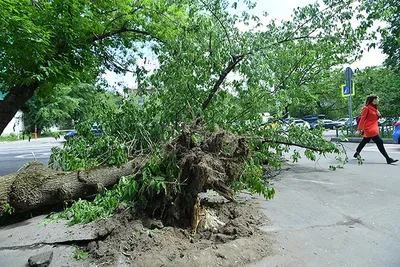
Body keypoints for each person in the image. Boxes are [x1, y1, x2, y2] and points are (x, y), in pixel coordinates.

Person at [354, 95, 398, 164]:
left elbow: (375, 118)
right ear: (373, 100)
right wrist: (359, 130)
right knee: (379, 142)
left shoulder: (374, 108)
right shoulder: (366, 108)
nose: (378, 100)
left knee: (365, 141)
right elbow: (362, 119)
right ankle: (388, 159)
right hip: (369, 129)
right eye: (377, 99)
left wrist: (379, 115)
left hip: (373, 128)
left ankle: (357, 153)